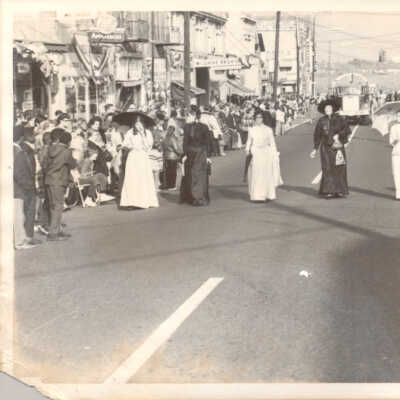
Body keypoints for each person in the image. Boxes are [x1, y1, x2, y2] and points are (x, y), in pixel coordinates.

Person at [310, 101, 350, 199]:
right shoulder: (321, 121)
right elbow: (317, 135)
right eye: (326, 109)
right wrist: (315, 149)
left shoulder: (340, 119)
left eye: (329, 108)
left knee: (339, 167)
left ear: (332, 109)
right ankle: (329, 191)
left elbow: (347, 130)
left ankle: (340, 190)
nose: (327, 110)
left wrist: (339, 135)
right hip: (326, 148)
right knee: (327, 168)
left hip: (338, 147)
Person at [119, 117, 159, 209]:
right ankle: (131, 202)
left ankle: (143, 201)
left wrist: (143, 135)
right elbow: (125, 143)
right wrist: (129, 145)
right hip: (133, 156)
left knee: (142, 178)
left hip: (142, 157)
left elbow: (149, 146)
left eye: (140, 124)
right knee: (132, 178)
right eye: (136, 124)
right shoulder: (130, 132)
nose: (138, 126)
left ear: (143, 124)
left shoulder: (147, 133)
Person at [45, 128, 77, 241]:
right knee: (58, 206)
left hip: (49, 180)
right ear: (68, 141)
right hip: (59, 181)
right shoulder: (66, 151)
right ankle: (53, 233)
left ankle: (56, 230)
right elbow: (73, 164)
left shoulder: (51, 149)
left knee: (53, 206)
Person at [246, 111, 282, 202]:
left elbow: (272, 143)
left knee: (266, 174)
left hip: (266, 153)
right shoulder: (252, 130)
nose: (259, 119)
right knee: (256, 174)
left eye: (260, 117)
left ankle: (267, 194)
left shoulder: (268, 130)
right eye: (257, 118)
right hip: (256, 152)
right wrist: (247, 150)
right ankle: (257, 196)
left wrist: (275, 154)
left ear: (263, 119)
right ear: (254, 119)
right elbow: (249, 141)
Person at [13, 126, 39, 249]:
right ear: (21, 138)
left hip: (14, 188)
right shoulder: (18, 152)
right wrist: (29, 186)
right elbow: (18, 173)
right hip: (18, 189)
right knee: (18, 216)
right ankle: (19, 242)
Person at [180, 107, 211, 206]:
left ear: (196, 116)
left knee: (199, 176)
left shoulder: (204, 127)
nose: (188, 117)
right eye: (189, 115)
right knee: (190, 176)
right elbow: (185, 142)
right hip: (190, 154)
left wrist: (208, 156)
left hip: (201, 154)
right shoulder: (187, 127)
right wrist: (184, 154)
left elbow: (207, 142)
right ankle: (191, 197)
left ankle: (199, 197)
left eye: (191, 114)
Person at [20, 127, 42, 246]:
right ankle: (29, 236)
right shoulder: (27, 149)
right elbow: (32, 168)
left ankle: (27, 234)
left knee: (26, 210)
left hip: (27, 183)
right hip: (29, 183)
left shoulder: (25, 148)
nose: (34, 136)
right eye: (32, 134)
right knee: (30, 210)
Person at [162, 119, 182, 190]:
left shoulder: (165, 138)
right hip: (173, 156)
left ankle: (167, 185)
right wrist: (180, 154)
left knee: (168, 171)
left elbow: (163, 147)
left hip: (166, 156)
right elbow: (176, 148)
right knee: (173, 172)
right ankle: (172, 185)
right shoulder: (173, 138)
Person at [389, 110, 400, 200]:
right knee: (396, 173)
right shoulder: (394, 127)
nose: (399, 118)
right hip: (396, 152)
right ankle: (398, 193)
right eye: (398, 116)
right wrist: (394, 141)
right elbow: (391, 142)